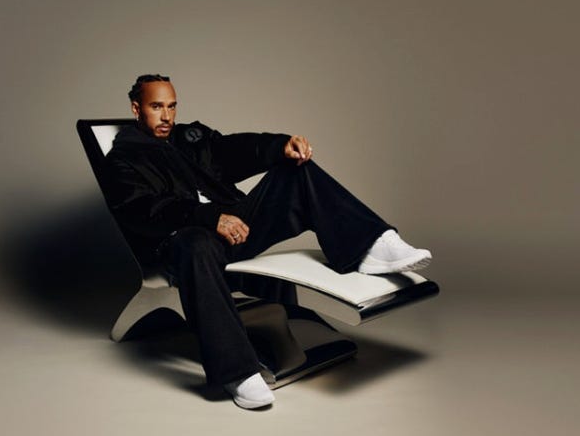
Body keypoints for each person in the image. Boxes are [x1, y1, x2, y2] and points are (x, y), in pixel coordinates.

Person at [105, 74, 432, 410]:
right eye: (156, 107)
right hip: (187, 242)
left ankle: (372, 244)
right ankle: (237, 371)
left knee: (297, 170)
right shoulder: (123, 159)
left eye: (172, 106)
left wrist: (280, 145)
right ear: (136, 109)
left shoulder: (188, 138)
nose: (167, 116)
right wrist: (208, 218)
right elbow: (143, 211)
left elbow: (232, 150)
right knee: (195, 245)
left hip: (236, 227)